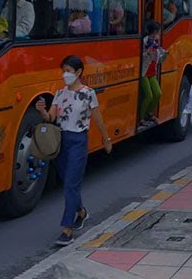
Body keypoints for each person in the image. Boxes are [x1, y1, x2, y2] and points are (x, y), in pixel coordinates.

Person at [35, 55, 111, 246]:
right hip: (61, 141)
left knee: (71, 184)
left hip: (78, 141)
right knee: (67, 183)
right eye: (64, 71)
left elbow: (98, 118)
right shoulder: (60, 93)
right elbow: (51, 117)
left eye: (68, 71)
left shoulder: (88, 93)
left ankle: (67, 230)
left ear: (78, 72)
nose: (65, 74)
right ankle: (81, 212)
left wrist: (106, 138)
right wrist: (42, 111)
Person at [139, 21, 164, 128]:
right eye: (158, 32)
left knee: (158, 93)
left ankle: (149, 113)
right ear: (154, 32)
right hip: (144, 72)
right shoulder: (145, 41)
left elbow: (157, 56)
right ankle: (142, 118)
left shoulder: (155, 42)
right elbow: (140, 56)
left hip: (152, 71)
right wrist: (147, 52)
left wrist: (163, 54)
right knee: (149, 95)